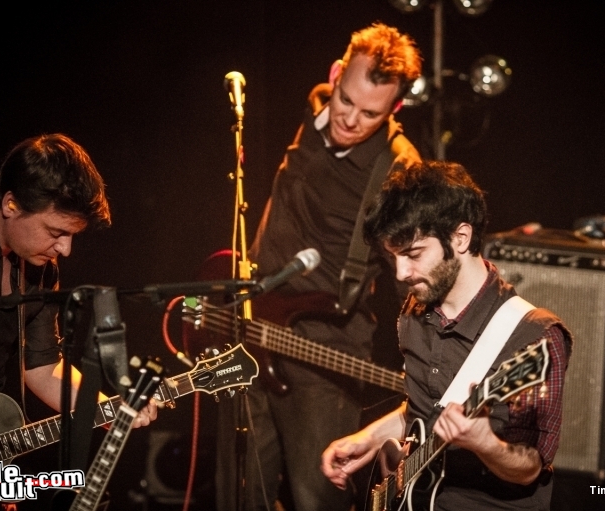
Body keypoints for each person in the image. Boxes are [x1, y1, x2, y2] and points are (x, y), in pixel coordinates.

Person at [213, 23, 423, 511]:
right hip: (251, 327)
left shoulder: (397, 167)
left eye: (370, 113)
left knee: (317, 498)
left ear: (394, 109)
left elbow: (413, 276)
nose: (349, 118)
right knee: (238, 493)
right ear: (335, 76)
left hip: (325, 350)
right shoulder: (314, 109)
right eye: (346, 100)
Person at [0, 134, 157, 503]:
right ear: (11, 203)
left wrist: (108, 409)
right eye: (56, 232)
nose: (65, 249)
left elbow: (43, 367)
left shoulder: (41, 268)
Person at [321, 160, 573, 510]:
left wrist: (485, 443)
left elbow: (530, 468)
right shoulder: (415, 311)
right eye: (394, 257)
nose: (401, 272)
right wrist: (369, 438)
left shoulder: (534, 336)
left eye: (413, 254)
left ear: (460, 238)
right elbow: (422, 412)